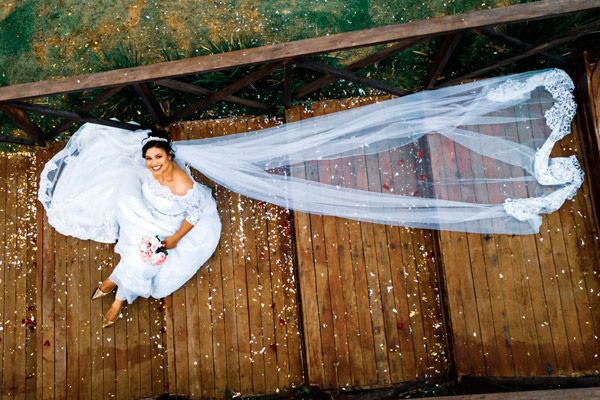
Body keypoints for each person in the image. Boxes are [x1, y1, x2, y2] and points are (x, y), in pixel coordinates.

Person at [39, 125, 222, 327]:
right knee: (132, 236)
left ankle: (116, 297)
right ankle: (113, 284)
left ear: (169, 155)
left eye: (159, 157)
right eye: (149, 159)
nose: (154, 164)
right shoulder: (151, 169)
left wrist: (175, 239)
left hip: (168, 222)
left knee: (141, 263)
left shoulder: (182, 184)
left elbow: (194, 214)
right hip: (145, 209)